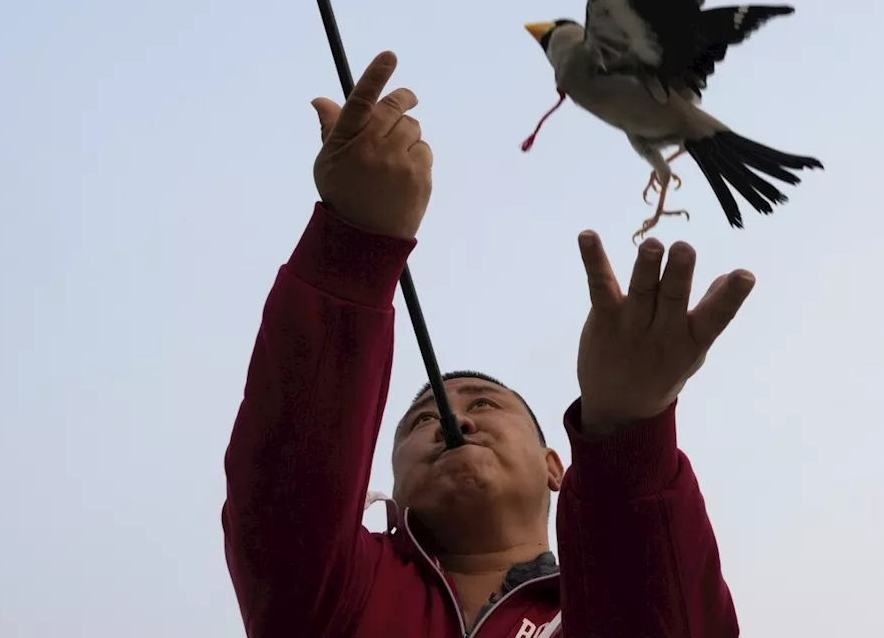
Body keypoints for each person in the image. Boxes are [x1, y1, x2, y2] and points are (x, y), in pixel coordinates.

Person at [222, 51, 758, 637]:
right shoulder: (334, 591)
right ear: (391, 492)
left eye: (482, 404)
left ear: (555, 466)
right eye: (418, 422)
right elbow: (290, 484)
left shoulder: (598, 603)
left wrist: (628, 430)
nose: (456, 422)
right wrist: (354, 242)